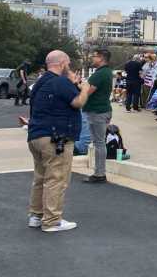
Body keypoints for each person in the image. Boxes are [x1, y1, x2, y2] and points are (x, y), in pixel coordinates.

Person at [27, 50, 91, 232]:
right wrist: (85, 88)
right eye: (68, 64)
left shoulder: (40, 82)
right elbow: (78, 102)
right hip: (56, 138)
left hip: (36, 135)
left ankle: (36, 215)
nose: (69, 67)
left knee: (40, 177)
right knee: (57, 178)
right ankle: (52, 220)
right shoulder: (60, 81)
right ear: (62, 63)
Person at [83, 48, 114, 184]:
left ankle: (100, 173)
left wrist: (78, 86)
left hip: (98, 112)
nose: (92, 58)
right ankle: (99, 172)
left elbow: (87, 92)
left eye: (94, 56)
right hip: (102, 110)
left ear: (101, 58)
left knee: (99, 143)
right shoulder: (106, 72)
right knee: (99, 143)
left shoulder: (100, 74)